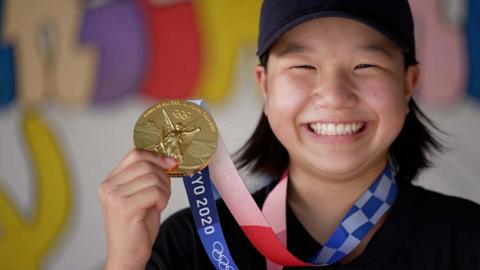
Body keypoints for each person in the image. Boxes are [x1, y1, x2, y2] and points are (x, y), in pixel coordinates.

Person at [98, 0, 480, 269]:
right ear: (265, 86)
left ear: (408, 84)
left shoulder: (467, 240)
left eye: (365, 65)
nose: (333, 95)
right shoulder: (189, 245)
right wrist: (126, 263)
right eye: (302, 65)